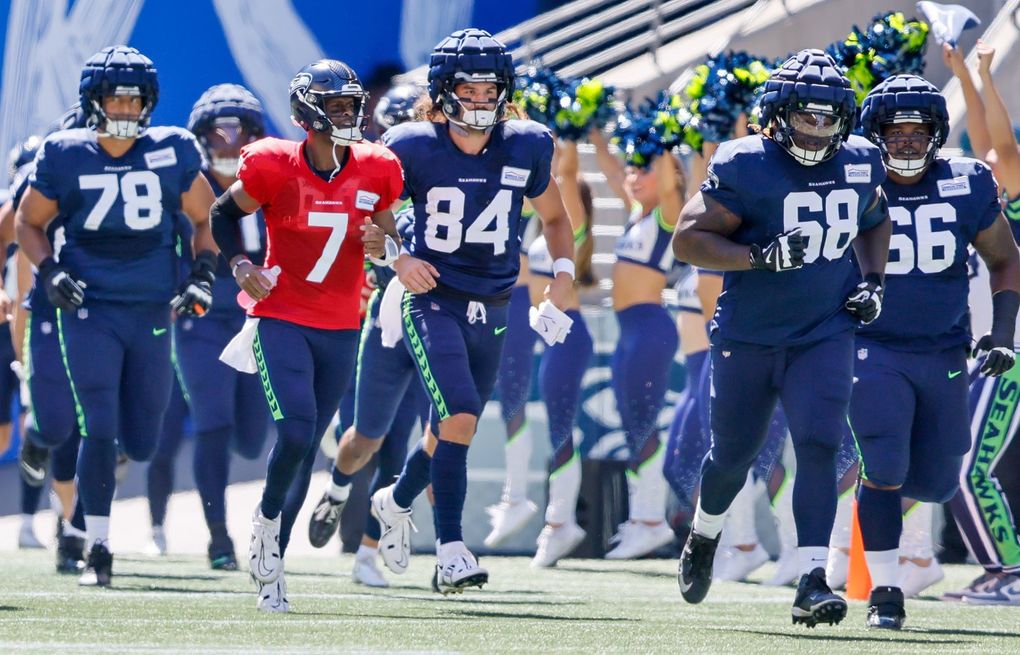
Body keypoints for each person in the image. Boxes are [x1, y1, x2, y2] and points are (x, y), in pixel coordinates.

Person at [672, 49, 891, 628]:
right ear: (778, 114)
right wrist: (756, 256)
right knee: (733, 458)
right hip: (749, 335)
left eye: (827, 118)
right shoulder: (747, 163)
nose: (817, 131)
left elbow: (874, 220)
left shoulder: (863, 160)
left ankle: (812, 579)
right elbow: (687, 240)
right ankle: (704, 533)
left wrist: (873, 281)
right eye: (805, 117)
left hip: (824, 329)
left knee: (819, 444)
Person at [369, 28, 575, 594]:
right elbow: (372, 212)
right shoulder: (410, 145)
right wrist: (398, 256)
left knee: (449, 429)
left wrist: (562, 274)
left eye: (491, 92)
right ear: (444, 90)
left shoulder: (526, 143)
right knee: (459, 412)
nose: (482, 102)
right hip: (431, 294)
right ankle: (452, 551)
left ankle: (395, 499)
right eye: (471, 90)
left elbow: (556, 219)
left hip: (496, 299)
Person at [14, 46, 220, 587]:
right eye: (116, 97)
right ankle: (97, 544)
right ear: (94, 101)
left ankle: (91, 522)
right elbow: (27, 224)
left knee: (142, 440)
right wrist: (51, 269)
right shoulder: (65, 152)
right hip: (89, 306)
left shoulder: (173, 149)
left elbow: (206, 219)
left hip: (150, 307)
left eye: (135, 98)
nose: (126, 108)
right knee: (97, 424)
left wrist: (202, 271)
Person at [216, 59, 402, 612]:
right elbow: (225, 218)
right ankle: (267, 527)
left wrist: (384, 249)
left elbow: (391, 245)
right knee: (296, 434)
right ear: (309, 114)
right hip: (282, 315)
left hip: (343, 324)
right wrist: (239, 265)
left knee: (302, 450)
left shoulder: (376, 169)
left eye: (352, 104)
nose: (349, 113)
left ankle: (274, 559)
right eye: (338, 106)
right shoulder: (274, 164)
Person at [851, 73, 1020, 628]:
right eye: (894, 132)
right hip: (871, 345)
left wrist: (1001, 333)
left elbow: (1005, 257)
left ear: (937, 133)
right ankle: (886, 592)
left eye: (917, 131)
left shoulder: (966, 180)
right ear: (875, 133)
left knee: (939, 478)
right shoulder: (852, 179)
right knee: (884, 463)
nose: (905, 141)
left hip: (944, 349)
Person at [305, 84, 429, 588]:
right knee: (368, 437)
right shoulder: (364, 178)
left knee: (434, 436)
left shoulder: (450, 174)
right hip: (381, 318)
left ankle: (382, 551)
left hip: (436, 316)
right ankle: (336, 492)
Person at [173, 83, 271, 569]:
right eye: (218, 134)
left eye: (240, 133)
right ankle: (218, 539)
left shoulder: (273, 178)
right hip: (205, 313)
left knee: (253, 437)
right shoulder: (185, 183)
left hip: (260, 314)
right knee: (214, 421)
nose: (229, 145)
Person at [943, 41, 1020, 604]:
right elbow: (980, 139)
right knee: (957, 464)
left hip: (1010, 355)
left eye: (994, 160)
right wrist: (962, 76)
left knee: (971, 468)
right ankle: (1000, 569)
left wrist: (987, 77)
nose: (983, 159)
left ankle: (1011, 572)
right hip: (986, 352)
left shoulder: (1014, 195)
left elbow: (1000, 143)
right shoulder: (988, 197)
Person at [525, 136, 596, 566]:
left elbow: (565, 177)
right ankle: (559, 519)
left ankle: (559, 520)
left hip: (567, 335)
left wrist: (564, 138)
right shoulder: (541, 235)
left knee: (561, 429)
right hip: (552, 337)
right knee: (556, 429)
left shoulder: (574, 228)